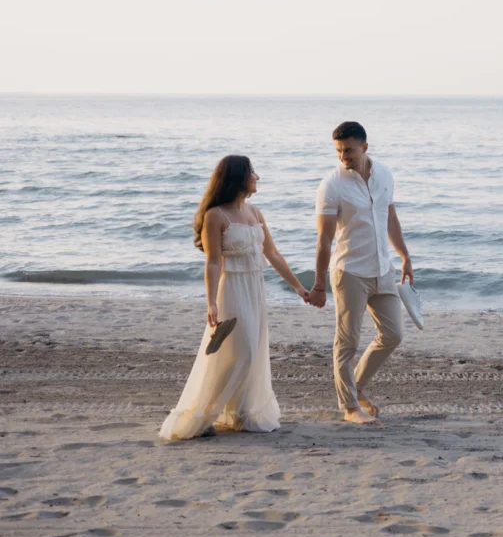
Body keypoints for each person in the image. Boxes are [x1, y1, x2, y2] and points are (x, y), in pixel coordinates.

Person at [159, 155, 309, 441]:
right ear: (239, 177)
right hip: (231, 291)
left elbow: (273, 254)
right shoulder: (215, 216)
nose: (257, 177)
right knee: (241, 351)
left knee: (252, 352)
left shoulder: (255, 213)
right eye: (253, 172)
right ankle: (202, 415)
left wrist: (299, 288)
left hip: (255, 289)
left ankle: (242, 412)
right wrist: (211, 302)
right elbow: (213, 262)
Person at [307, 122, 413, 425]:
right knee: (347, 342)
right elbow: (324, 238)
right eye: (339, 151)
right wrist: (318, 284)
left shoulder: (385, 175)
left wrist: (405, 255)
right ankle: (350, 407)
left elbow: (390, 218)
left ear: (364, 148)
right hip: (350, 271)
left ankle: (357, 384)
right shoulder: (331, 185)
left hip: (383, 269)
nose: (344, 156)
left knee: (393, 334)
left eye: (349, 150)